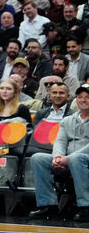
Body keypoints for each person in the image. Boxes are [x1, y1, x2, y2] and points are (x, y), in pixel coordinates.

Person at [27, 83, 89, 221]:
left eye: (87, 97)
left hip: (84, 160)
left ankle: (86, 207)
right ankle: (48, 205)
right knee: (38, 158)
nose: (83, 100)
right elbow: (60, 142)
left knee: (77, 158)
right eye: (80, 97)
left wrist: (69, 158)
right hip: (68, 160)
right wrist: (57, 157)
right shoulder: (67, 120)